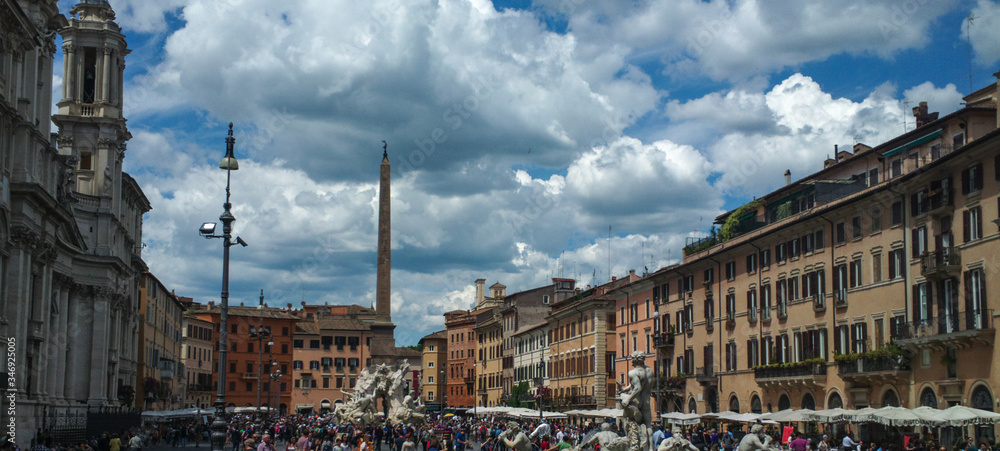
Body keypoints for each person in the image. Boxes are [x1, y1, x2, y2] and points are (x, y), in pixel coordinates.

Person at [621, 351, 656, 451]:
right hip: (646, 400)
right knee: (648, 425)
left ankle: (632, 443)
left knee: (628, 420)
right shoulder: (649, 370)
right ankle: (650, 448)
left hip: (637, 401)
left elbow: (637, 388)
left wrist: (628, 399)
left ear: (635, 360)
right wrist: (623, 389)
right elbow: (636, 385)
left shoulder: (633, 372)